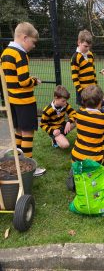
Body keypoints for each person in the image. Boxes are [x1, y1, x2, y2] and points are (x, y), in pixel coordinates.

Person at [1, 22, 46, 176]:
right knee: (27, 133)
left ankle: (17, 164)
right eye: (33, 42)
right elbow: (23, 81)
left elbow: (9, 79)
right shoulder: (20, 54)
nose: (33, 46)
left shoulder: (5, 53)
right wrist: (34, 81)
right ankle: (29, 168)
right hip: (25, 102)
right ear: (25, 37)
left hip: (12, 101)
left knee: (19, 131)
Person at [71, 85, 104, 171]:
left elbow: (92, 107)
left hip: (76, 157)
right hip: (95, 159)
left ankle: (79, 170)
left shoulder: (78, 113)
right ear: (99, 102)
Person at [70, 29, 97, 106]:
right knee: (84, 112)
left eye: (89, 46)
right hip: (83, 91)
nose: (87, 48)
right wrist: (80, 90)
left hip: (92, 90)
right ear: (79, 42)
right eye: (85, 46)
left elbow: (93, 71)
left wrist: (95, 85)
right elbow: (74, 77)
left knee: (93, 110)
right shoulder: (75, 58)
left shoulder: (90, 54)